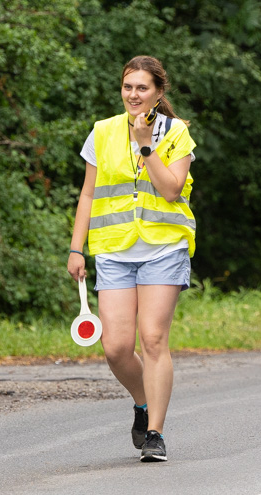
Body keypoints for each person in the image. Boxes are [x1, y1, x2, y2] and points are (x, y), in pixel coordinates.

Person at [67, 55, 196, 462]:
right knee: (116, 347)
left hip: (163, 248)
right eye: (128, 87)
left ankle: (155, 431)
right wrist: (76, 247)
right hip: (114, 249)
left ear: (158, 93)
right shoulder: (102, 132)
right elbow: (88, 193)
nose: (134, 95)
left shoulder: (177, 134)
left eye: (142, 88)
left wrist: (146, 146)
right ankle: (142, 402)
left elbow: (172, 190)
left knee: (153, 339)